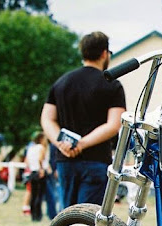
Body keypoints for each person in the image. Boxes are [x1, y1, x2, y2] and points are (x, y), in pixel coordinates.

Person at [40, 31, 126, 209]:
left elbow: (47, 119)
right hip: (96, 160)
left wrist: (63, 143)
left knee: (66, 217)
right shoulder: (112, 85)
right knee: (88, 217)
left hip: (65, 160)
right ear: (104, 53)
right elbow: (114, 124)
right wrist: (82, 143)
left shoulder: (61, 83)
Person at [25, 132, 48, 222]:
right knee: (39, 195)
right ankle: (38, 215)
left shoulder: (30, 148)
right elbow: (40, 159)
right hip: (39, 172)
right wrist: (41, 168)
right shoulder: (41, 148)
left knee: (33, 195)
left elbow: (26, 162)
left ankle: (33, 214)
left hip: (32, 172)